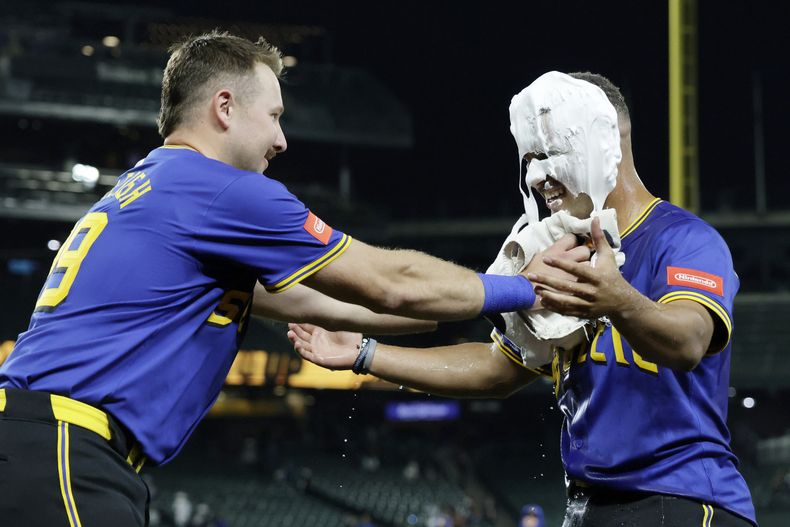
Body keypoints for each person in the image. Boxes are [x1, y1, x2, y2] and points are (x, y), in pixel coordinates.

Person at [0, 32, 585, 526]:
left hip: (40, 444)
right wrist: (526, 287)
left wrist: (472, 305)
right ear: (224, 107)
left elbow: (332, 303)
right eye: (274, 115)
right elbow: (389, 280)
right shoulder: (220, 191)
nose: (281, 139)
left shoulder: (150, 188)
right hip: (65, 454)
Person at [289, 72, 758, 526]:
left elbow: (689, 341)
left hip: (683, 501)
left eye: (550, 152)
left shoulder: (683, 240)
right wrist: (365, 353)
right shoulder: (558, 248)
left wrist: (620, 300)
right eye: (529, 157)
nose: (536, 176)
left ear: (605, 138)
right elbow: (497, 370)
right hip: (588, 505)